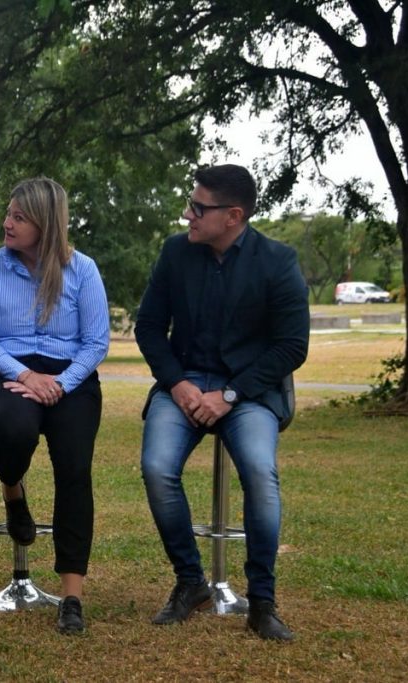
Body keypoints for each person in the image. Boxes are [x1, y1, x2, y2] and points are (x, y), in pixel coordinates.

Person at [134, 164, 309, 641]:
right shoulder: (175, 253)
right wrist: (178, 385)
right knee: (156, 467)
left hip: (247, 391)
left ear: (233, 216)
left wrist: (230, 395)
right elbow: (148, 328)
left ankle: (262, 601)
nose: (188, 213)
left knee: (258, 469)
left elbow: (292, 346)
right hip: (184, 383)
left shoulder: (277, 260)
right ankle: (190, 582)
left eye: (198, 207)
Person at [0, 177, 110, 635]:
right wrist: (25, 376)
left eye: (19, 217)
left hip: (71, 378)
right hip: (8, 374)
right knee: (14, 431)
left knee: (74, 469)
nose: (7, 223)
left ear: (45, 225)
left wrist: (59, 385)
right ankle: (13, 491)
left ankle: (71, 596)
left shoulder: (82, 269)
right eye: (8, 214)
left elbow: (96, 342)